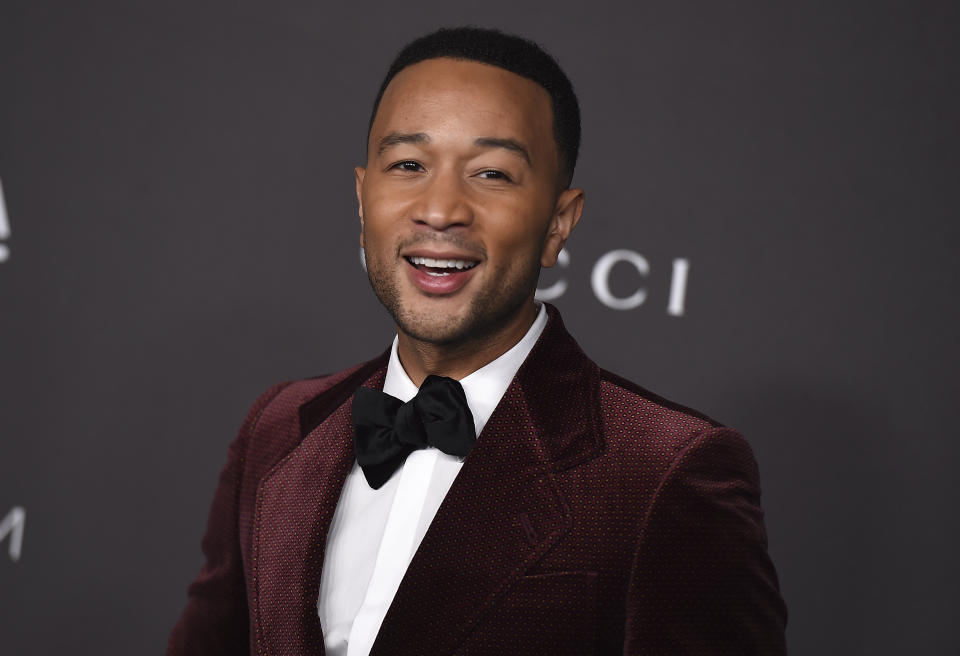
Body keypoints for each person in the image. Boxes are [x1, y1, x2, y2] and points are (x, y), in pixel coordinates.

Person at [168, 26, 787, 656]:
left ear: (558, 223)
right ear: (362, 199)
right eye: (408, 165)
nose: (440, 209)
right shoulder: (277, 429)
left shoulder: (664, 471)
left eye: (492, 173)